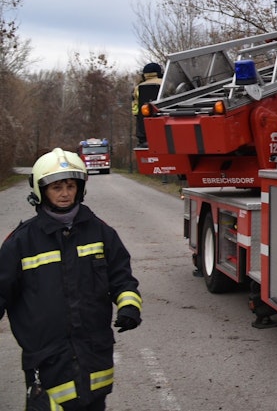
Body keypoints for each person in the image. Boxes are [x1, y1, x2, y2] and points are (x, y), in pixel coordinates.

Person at [0, 148, 142, 410]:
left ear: (80, 188)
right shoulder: (21, 242)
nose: (65, 193)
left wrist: (129, 305)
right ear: (41, 191)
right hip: (48, 359)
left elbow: (121, 276)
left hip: (94, 354)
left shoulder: (101, 231)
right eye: (56, 187)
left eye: (70, 185)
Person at [132, 62, 163, 148]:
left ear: (144, 75)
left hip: (144, 132)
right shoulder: (165, 84)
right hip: (163, 127)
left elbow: (135, 110)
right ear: (159, 73)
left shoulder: (137, 88)